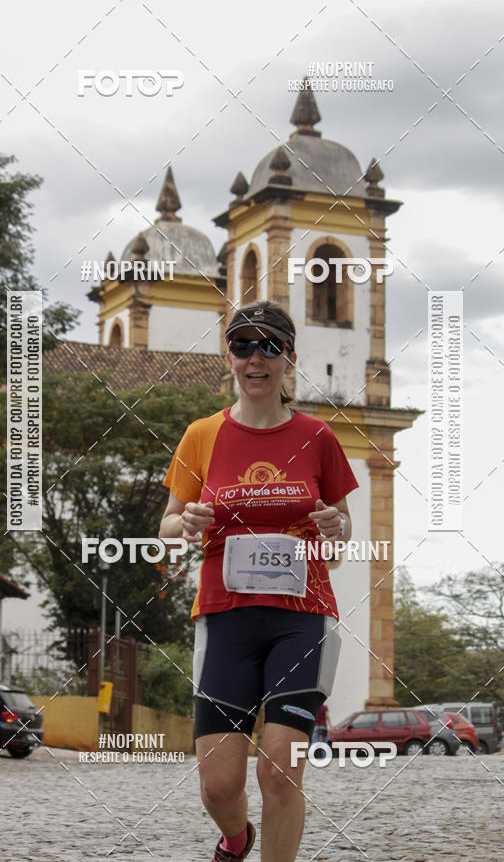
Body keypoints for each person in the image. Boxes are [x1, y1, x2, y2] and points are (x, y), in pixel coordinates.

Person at [159, 299, 358, 862]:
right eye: (243, 345)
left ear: (288, 358)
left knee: (279, 769)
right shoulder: (202, 435)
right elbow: (167, 529)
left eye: (269, 346)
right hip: (225, 618)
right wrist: (187, 521)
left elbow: (344, 535)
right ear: (229, 356)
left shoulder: (317, 437)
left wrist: (333, 524)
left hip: (302, 619)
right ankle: (237, 837)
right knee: (218, 786)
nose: (255, 358)